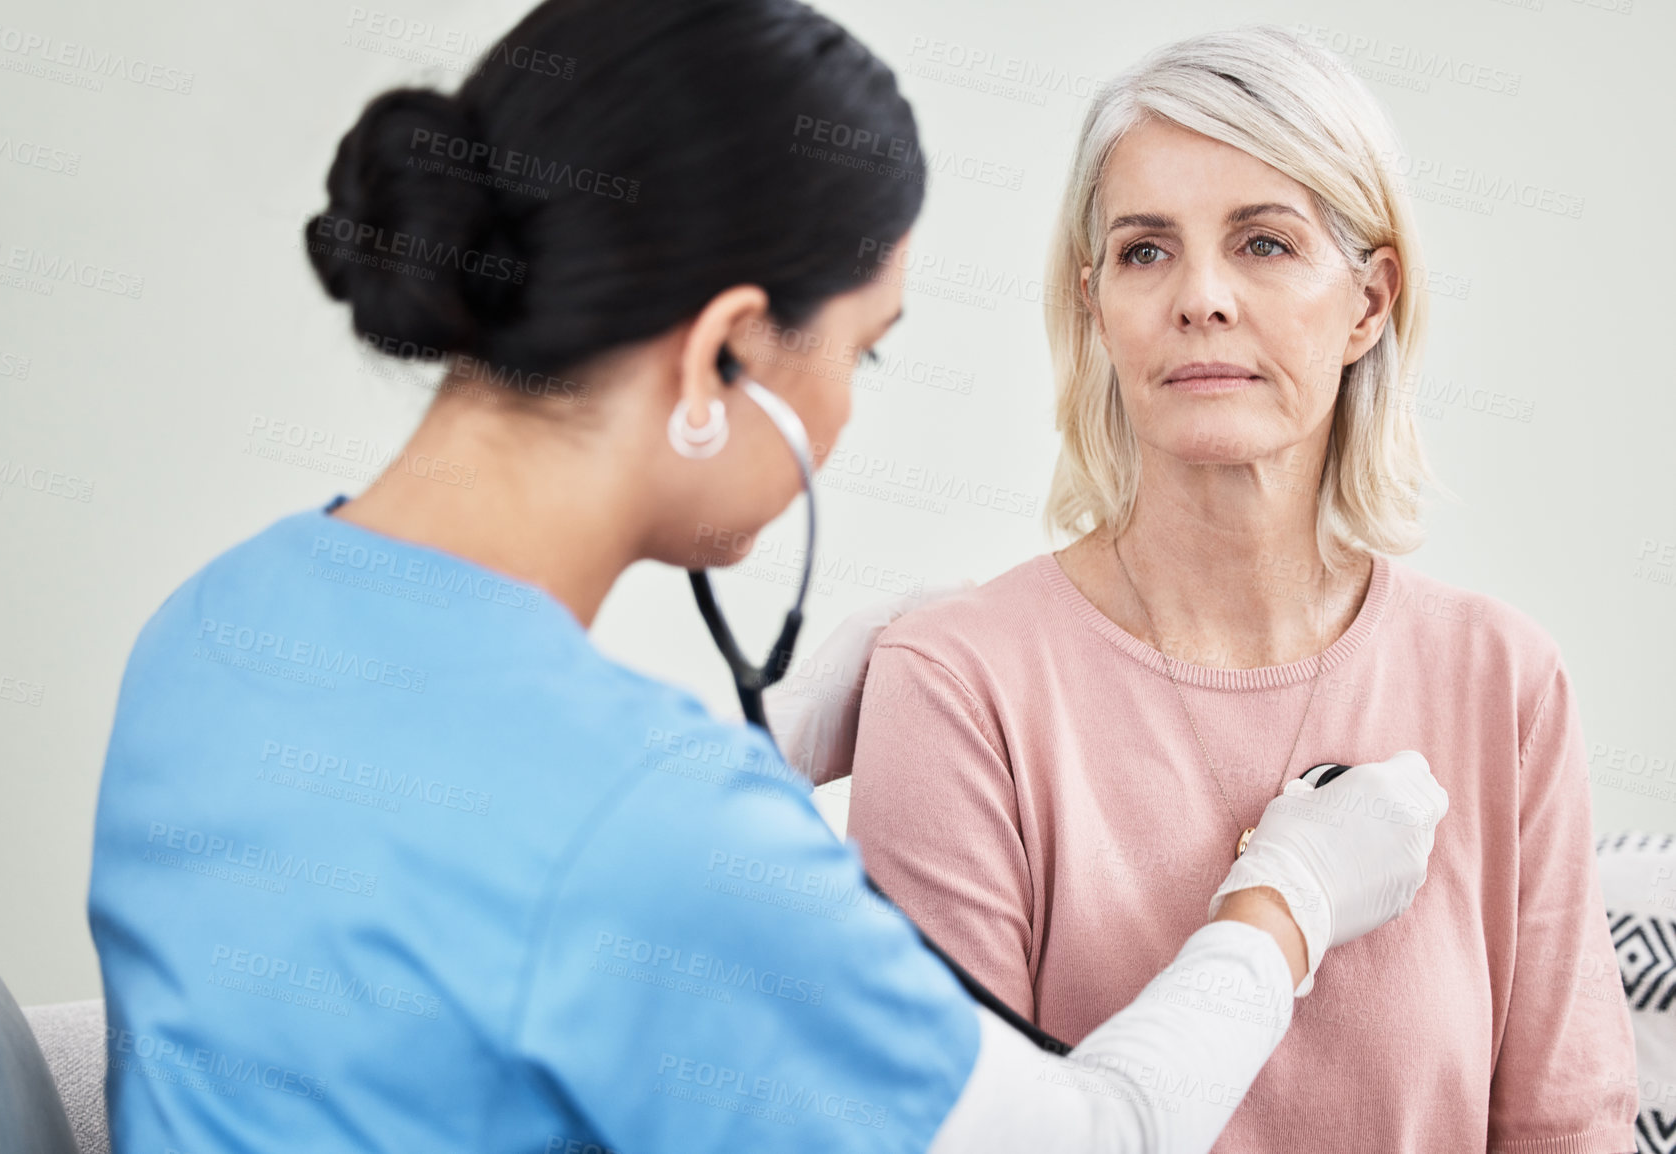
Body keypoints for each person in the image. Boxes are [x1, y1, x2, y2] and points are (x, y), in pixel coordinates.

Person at [86, 4, 1448, 1152]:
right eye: (858, 354)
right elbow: (1087, 1135)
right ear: (724, 355)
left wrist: (770, 754)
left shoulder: (212, 620)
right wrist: (1286, 899)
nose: (846, 417)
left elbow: (447, 911)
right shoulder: (657, 823)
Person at [844, 25, 1636, 1154]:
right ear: (1097, 302)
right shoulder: (958, 682)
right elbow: (945, 1133)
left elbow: (1568, 1128)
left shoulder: (1501, 680)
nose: (1201, 297)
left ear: (1368, 303)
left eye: (1264, 244)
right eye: (1145, 250)